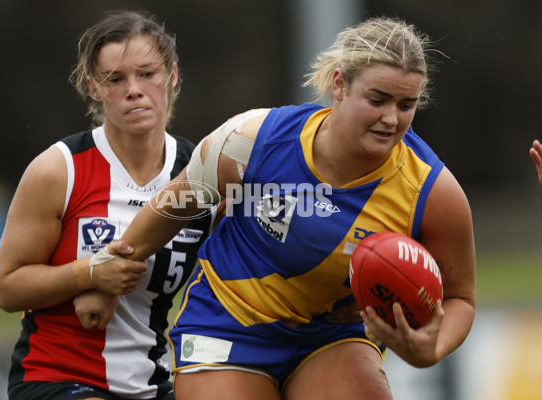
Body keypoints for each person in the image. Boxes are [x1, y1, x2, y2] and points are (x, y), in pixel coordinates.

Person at [77, 17, 476, 400]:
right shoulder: (250, 141)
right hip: (227, 322)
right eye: (377, 99)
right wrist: (107, 274)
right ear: (339, 84)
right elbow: (176, 205)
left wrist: (432, 347)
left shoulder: (432, 191)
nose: (391, 118)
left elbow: (461, 297)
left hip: (330, 336)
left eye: (407, 105)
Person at [0, 10, 218, 400]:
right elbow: (7, 288)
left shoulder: (200, 177)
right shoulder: (58, 170)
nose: (134, 89)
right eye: (116, 79)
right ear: (93, 88)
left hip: (151, 383)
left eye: (148, 73)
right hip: (55, 377)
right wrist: (89, 275)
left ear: (173, 76)